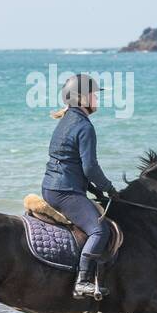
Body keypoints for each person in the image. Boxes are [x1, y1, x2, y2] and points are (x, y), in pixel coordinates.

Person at [41, 73, 119, 298]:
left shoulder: (66, 120)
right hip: (65, 191)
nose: (97, 98)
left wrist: (94, 190)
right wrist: (108, 187)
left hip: (52, 186)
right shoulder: (84, 126)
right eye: (94, 94)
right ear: (81, 97)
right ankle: (83, 281)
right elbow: (90, 167)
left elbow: (71, 162)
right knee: (99, 230)